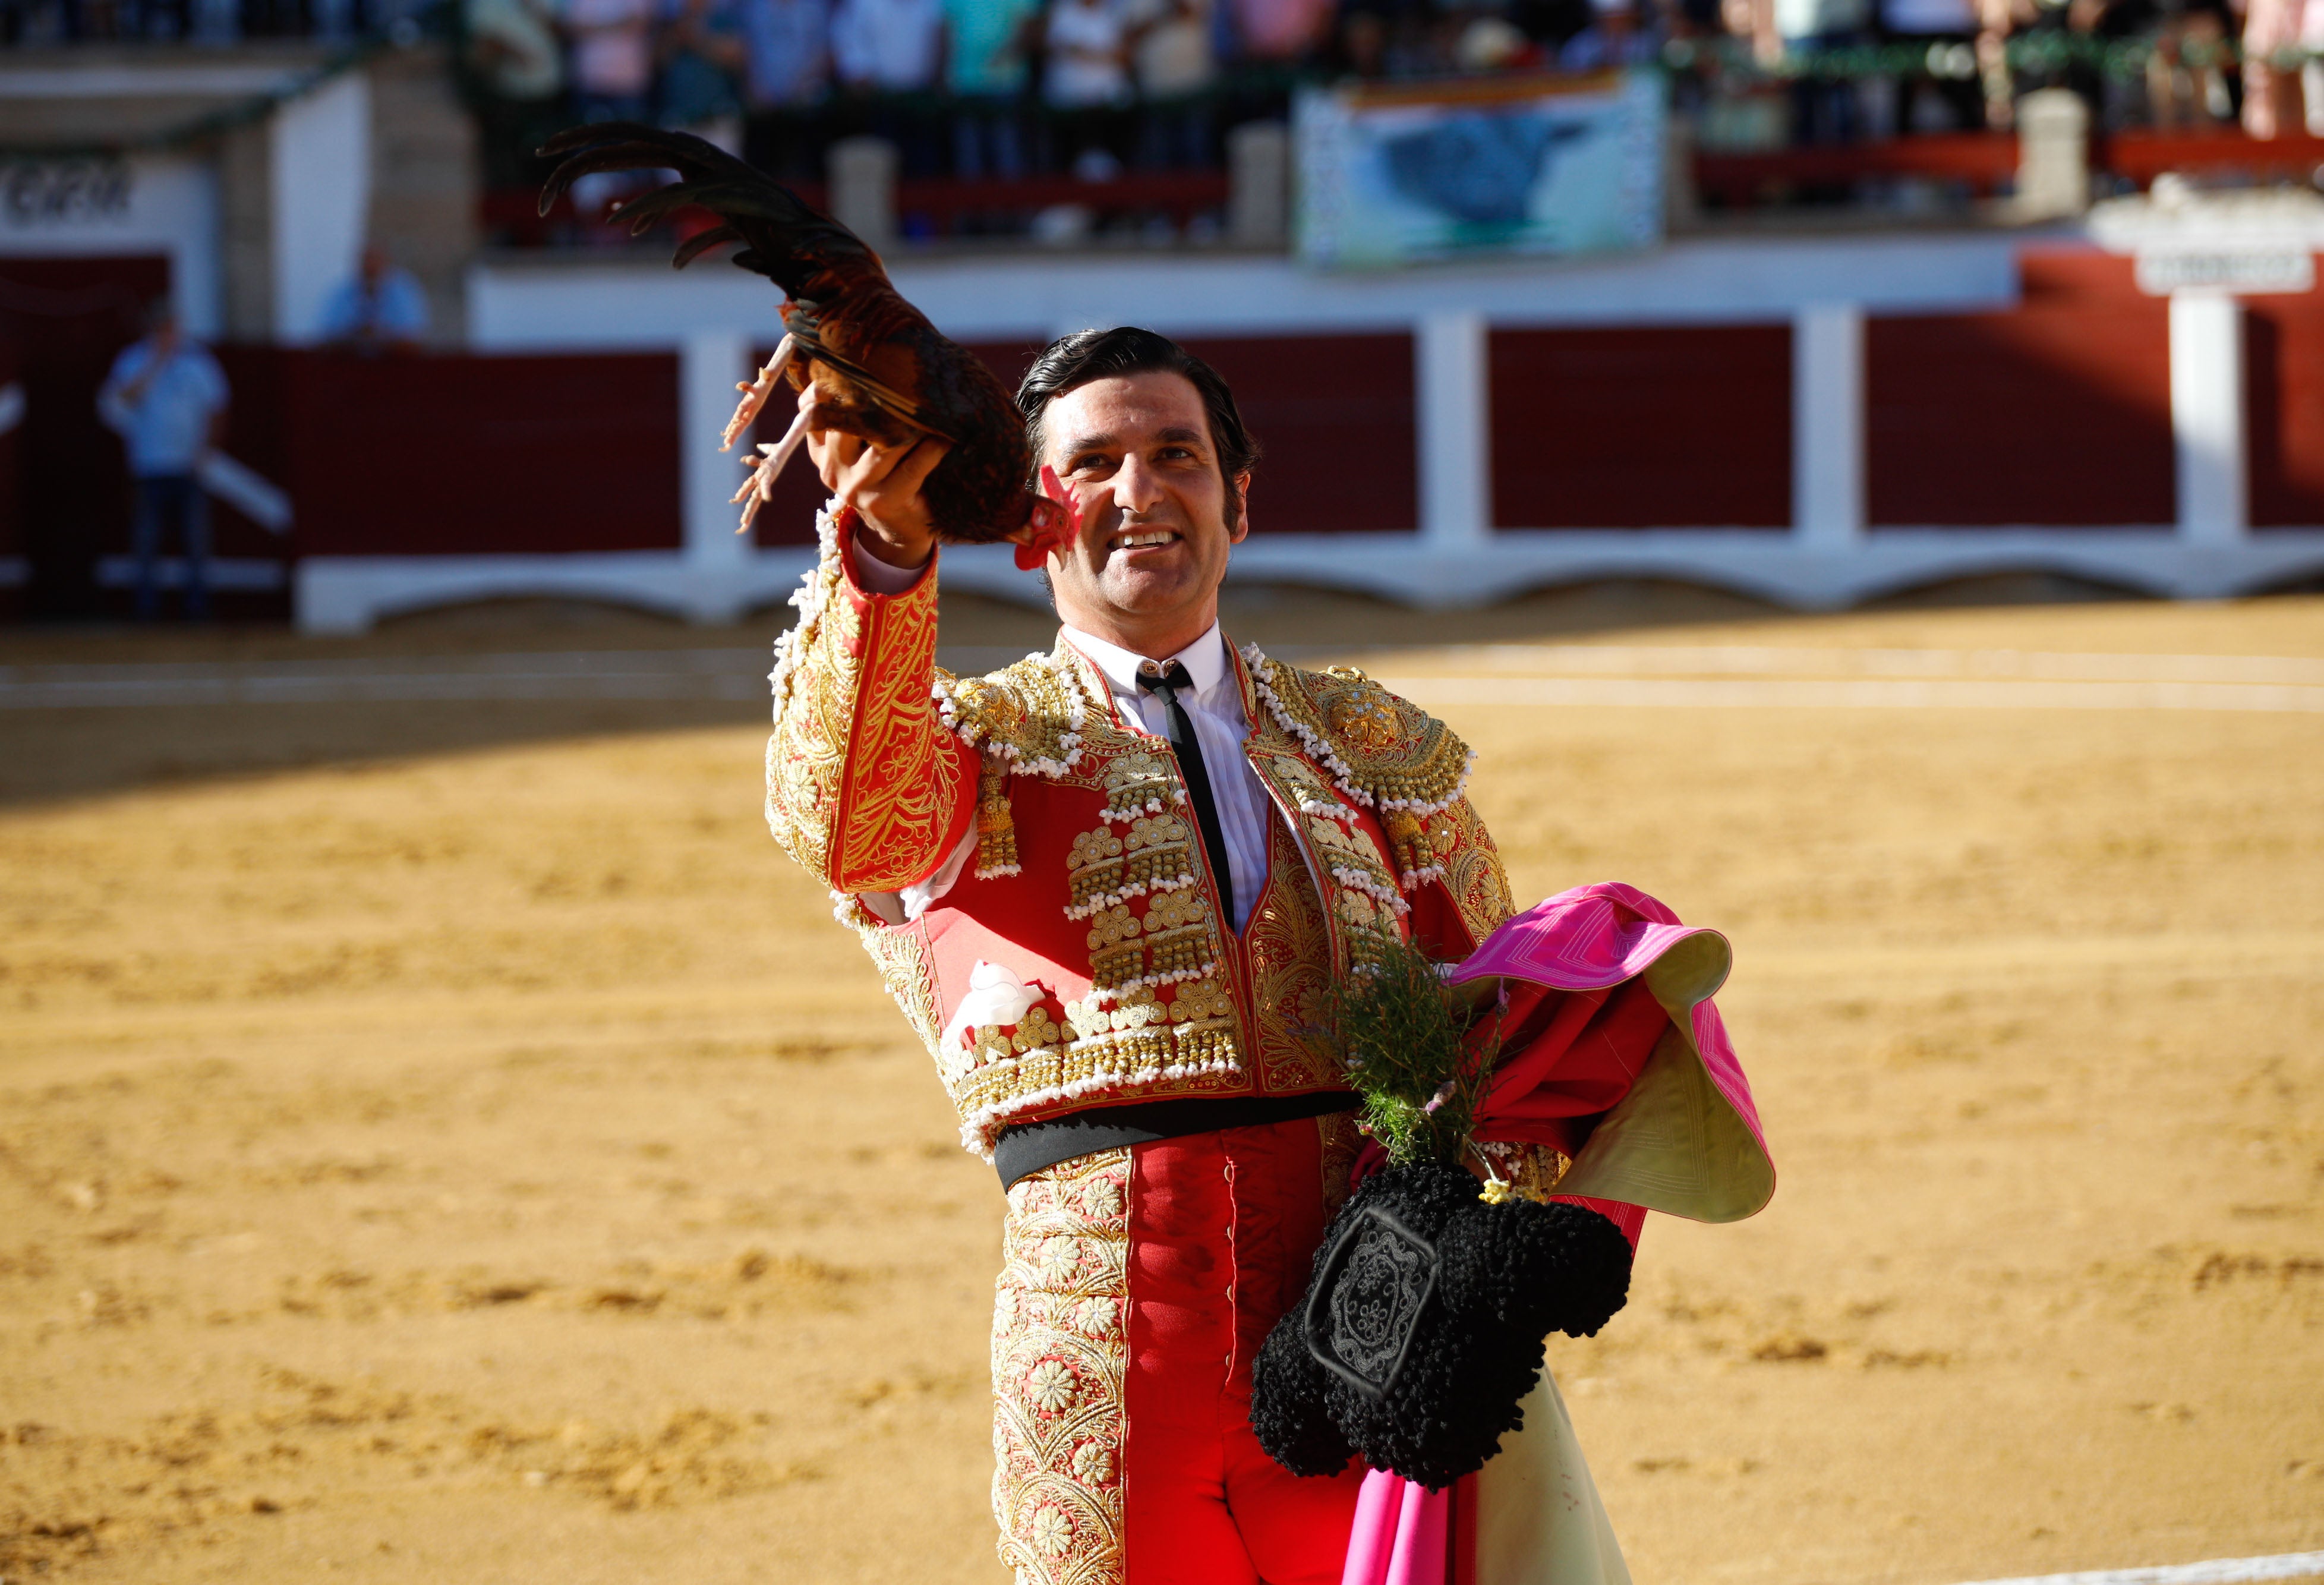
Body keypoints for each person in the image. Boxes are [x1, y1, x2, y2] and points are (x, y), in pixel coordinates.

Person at [762, 326, 1636, 1582]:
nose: (1136, 490)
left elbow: (1501, 1023)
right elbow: (844, 821)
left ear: (1236, 496)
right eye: (1091, 462)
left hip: (1364, 1328)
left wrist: (1497, 1230)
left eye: (1174, 453)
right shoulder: (971, 745)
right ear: (1029, 515)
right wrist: (887, 555)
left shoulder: (1363, 740)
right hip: (1102, 1348)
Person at [97, 300, 229, 622]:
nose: (170, 333)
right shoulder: (134, 360)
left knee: (195, 541)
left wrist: (208, 449)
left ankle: (197, 607)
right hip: (149, 464)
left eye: (173, 327)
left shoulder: (198, 362)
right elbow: (121, 401)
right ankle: (146, 608)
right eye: (164, 327)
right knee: (147, 540)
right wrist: (156, 362)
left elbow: (217, 407)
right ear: (153, 329)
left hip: (188, 464)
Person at [319, 245, 431, 352]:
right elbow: (328, 336)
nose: (371, 267)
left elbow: (413, 339)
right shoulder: (344, 291)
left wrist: (380, 335)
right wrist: (358, 334)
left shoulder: (404, 292)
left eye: (375, 261)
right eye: (367, 262)